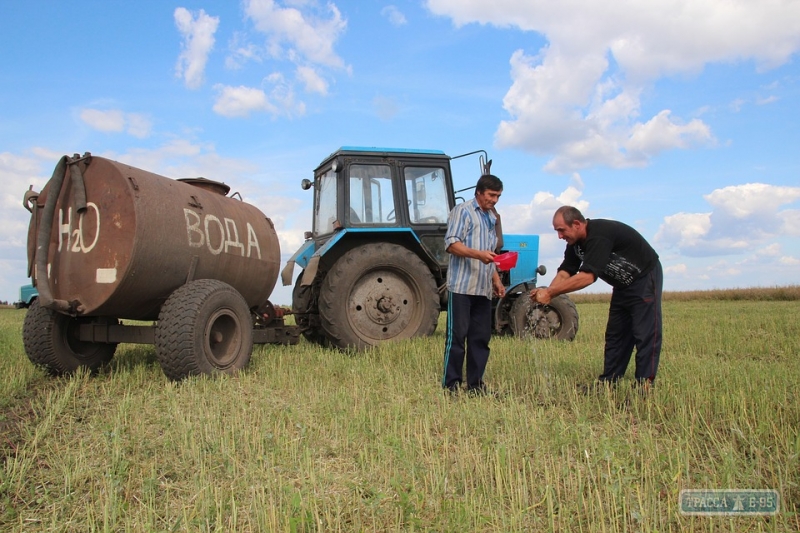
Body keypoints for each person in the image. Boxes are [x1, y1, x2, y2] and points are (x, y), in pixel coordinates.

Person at [532, 206, 662, 387]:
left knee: (644, 332)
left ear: (577, 224)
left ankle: (644, 384)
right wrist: (547, 293)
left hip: (644, 277)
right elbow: (566, 272)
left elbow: (587, 277)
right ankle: (609, 382)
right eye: (557, 231)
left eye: (561, 230)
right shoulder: (574, 244)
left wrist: (551, 293)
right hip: (621, 285)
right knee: (616, 334)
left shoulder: (599, 235)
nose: (559, 236)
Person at [442, 174, 506, 395]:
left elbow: (491, 255)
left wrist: (496, 281)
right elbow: (451, 244)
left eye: (498, 196)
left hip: (482, 289)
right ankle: (451, 385)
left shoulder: (491, 218)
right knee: (457, 338)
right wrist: (478, 255)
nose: (495, 200)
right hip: (462, 287)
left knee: (480, 339)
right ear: (478, 192)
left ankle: (476, 386)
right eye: (491, 195)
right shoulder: (463, 211)